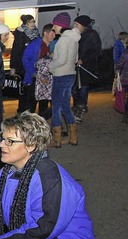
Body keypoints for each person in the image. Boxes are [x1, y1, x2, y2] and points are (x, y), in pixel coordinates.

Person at [48, 12, 80, 148]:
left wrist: (51, 66)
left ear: (59, 25)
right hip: (71, 74)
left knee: (56, 107)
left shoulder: (62, 40)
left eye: (55, 24)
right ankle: (73, 136)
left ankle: (57, 138)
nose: (53, 27)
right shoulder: (73, 39)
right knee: (66, 106)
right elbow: (75, 57)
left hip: (60, 75)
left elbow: (61, 60)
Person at [22, 24, 57, 119]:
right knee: (32, 105)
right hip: (34, 78)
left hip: (47, 80)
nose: (54, 35)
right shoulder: (36, 44)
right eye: (52, 33)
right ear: (45, 33)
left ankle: (41, 126)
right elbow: (26, 59)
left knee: (44, 105)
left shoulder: (52, 45)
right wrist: (34, 73)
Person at [72, 15, 101, 123]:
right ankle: (76, 108)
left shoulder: (92, 35)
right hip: (76, 68)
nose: (74, 26)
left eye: (76, 25)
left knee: (83, 89)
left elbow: (96, 51)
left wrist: (83, 59)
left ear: (83, 25)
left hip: (86, 68)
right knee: (75, 90)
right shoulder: (76, 35)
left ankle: (80, 110)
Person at [11, 14, 40, 113]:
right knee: (24, 87)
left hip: (34, 64)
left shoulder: (36, 33)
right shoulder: (20, 34)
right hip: (22, 64)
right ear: (26, 23)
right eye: (31, 21)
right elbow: (16, 50)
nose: (33, 23)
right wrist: (13, 66)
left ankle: (30, 107)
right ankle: (23, 107)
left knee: (32, 87)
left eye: (33, 21)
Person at [115, 38, 128, 122]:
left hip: (125, 79)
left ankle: (126, 115)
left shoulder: (125, 54)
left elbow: (119, 65)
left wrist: (117, 72)